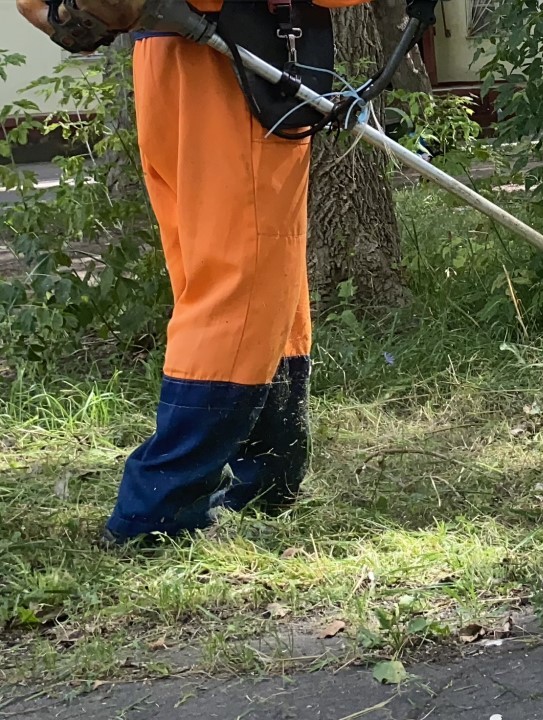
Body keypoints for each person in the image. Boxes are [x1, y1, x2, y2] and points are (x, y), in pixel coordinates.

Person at [17, 0, 367, 546]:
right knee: (240, 286)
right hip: (235, 64)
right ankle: (157, 511)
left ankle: (267, 483)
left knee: (247, 279)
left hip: (168, 57)